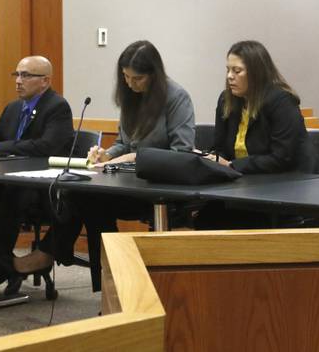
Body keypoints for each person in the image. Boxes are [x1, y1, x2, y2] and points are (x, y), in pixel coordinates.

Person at [13, 40, 195, 290]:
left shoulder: (177, 97)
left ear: (154, 75)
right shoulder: (130, 96)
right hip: (128, 182)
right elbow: (123, 142)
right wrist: (106, 154)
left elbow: (182, 152)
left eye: (137, 79)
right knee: (84, 196)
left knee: (90, 201)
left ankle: (51, 254)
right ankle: (107, 286)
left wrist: (135, 157)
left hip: (160, 187)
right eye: (126, 77)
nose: (130, 84)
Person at [0, 55, 74, 297]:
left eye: (26, 75)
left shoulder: (57, 107)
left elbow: (46, 147)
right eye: (17, 75)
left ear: (45, 81)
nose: (19, 81)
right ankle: (5, 267)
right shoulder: (13, 108)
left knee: (7, 201)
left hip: (41, 188)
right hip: (10, 181)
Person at [193, 40, 313, 229]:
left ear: (256, 72)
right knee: (205, 218)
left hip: (284, 186)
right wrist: (211, 159)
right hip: (244, 185)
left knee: (223, 220)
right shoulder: (227, 100)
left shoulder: (281, 102)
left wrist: (232, 165)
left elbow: (282, 158)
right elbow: (221, 148)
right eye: (228, 70)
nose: (230, 77)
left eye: (237, 71)